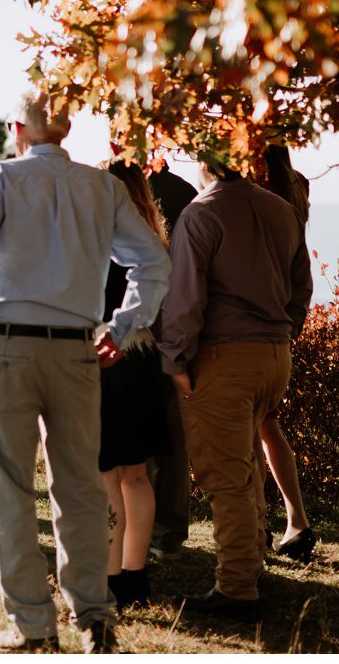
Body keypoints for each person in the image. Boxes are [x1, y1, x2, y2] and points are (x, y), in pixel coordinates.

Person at [0, 92, 170, 654]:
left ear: (16, 128)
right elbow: (153, 262)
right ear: (67, 129)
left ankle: (32, 625)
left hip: (7, 346)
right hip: (76, 350)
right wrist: (123, 328)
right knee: (81, 489)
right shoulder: (102, 187)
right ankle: (94, 616)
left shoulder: (0, 178)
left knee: (11, 488)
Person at [158, 155, 312, 622]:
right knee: (246, 463)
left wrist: (175, 358)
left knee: (225, 477)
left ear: (204, 162)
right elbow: (301, 286)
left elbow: (185, 296)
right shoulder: (280, 209)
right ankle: (252, 560)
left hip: (223, 356)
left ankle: (238, 587)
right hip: (274, 355)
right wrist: (284, 332)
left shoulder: (201, 213)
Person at [98, 161, 173, 611]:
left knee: (106, 473)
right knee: (137, 473)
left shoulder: (100, 234)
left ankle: (109, 579)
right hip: (144, 357)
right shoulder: (149, 236)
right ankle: (135, 575)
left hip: (106, 353)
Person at [255, 144, 314, 563]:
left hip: (251, 322)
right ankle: (295, 520)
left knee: (254, 428)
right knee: (267, 425)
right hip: (280, 324)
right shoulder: (296, 189)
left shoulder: (256, 194)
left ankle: (258, 521)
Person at [144, 160, 198, 557]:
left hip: (133, 324)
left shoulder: (109, 186)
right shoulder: (186, 193)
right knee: (172, 433)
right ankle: (168, 530)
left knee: (131, 432)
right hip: (176, 323)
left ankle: (135, 525)